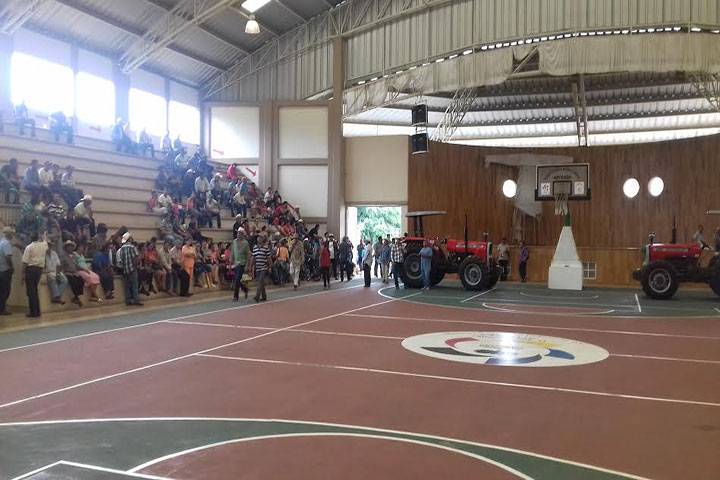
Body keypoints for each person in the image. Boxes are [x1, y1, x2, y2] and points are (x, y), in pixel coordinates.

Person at [22, 232, 48, 318]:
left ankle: (33, 312)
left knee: (31, 291)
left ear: (30, 238)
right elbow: (45, 241)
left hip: (30, 269)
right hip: (39, 270)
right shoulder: (43, 246)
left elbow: (25, 262)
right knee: (35, 290)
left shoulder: (29, 247)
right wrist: (44, 235)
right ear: (37, 237)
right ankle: (37, 311)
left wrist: (22, 273)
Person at [117, 232, 143, 306]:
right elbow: (136, 258)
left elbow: (121, 259)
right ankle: (136, 300)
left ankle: (128, 300)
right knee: (134, 285)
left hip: (125, 269)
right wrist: (135, 266)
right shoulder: (132, 247)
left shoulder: (121, 249)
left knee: (127, 286)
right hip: (132, 269)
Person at [61, 240, 85, 307]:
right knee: (73, 281)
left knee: (81, 280)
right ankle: (76, 298)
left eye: (71, 246)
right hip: (67, 272)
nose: (70, 248)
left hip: (75, 272)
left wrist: (83, 269)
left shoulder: (75, 256)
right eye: (68, 246)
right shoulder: (63, 256)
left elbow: (76, 265)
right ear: (66, 248)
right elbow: (61, 265)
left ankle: (77, 297)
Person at [45, 240, 67, 305]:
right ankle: (57, 297)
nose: (49, 246)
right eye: (47, 245)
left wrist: (57, 273)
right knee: (52, 279)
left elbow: (58, 265)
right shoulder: (42, 254)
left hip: (56, 271)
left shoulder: (54, 253)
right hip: (48, 272)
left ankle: (56, 297)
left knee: (65, 280)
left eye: (50, 245)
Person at [0, 227, 15, 315]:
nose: (12, 235)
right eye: (11, 233)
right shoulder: (7, 243)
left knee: (1, 290)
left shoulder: (1, 242)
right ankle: (2, 309)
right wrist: (12, 267)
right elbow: (8, 257)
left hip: (0, 270)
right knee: (5, 291)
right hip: (5, 270)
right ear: (8, 234)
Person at [252, 235, 271, 302]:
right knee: (261, 282)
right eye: (258, 237)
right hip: (257, 267)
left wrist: (270, 267)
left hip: (263, 267)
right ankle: (264, 296)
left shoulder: (266, 248)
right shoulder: (255, 247)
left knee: (260, 281)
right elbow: (254, 258)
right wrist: (251, 266)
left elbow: (269, 258)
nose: (259, 239)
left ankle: (257, 296)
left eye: (260, 238)